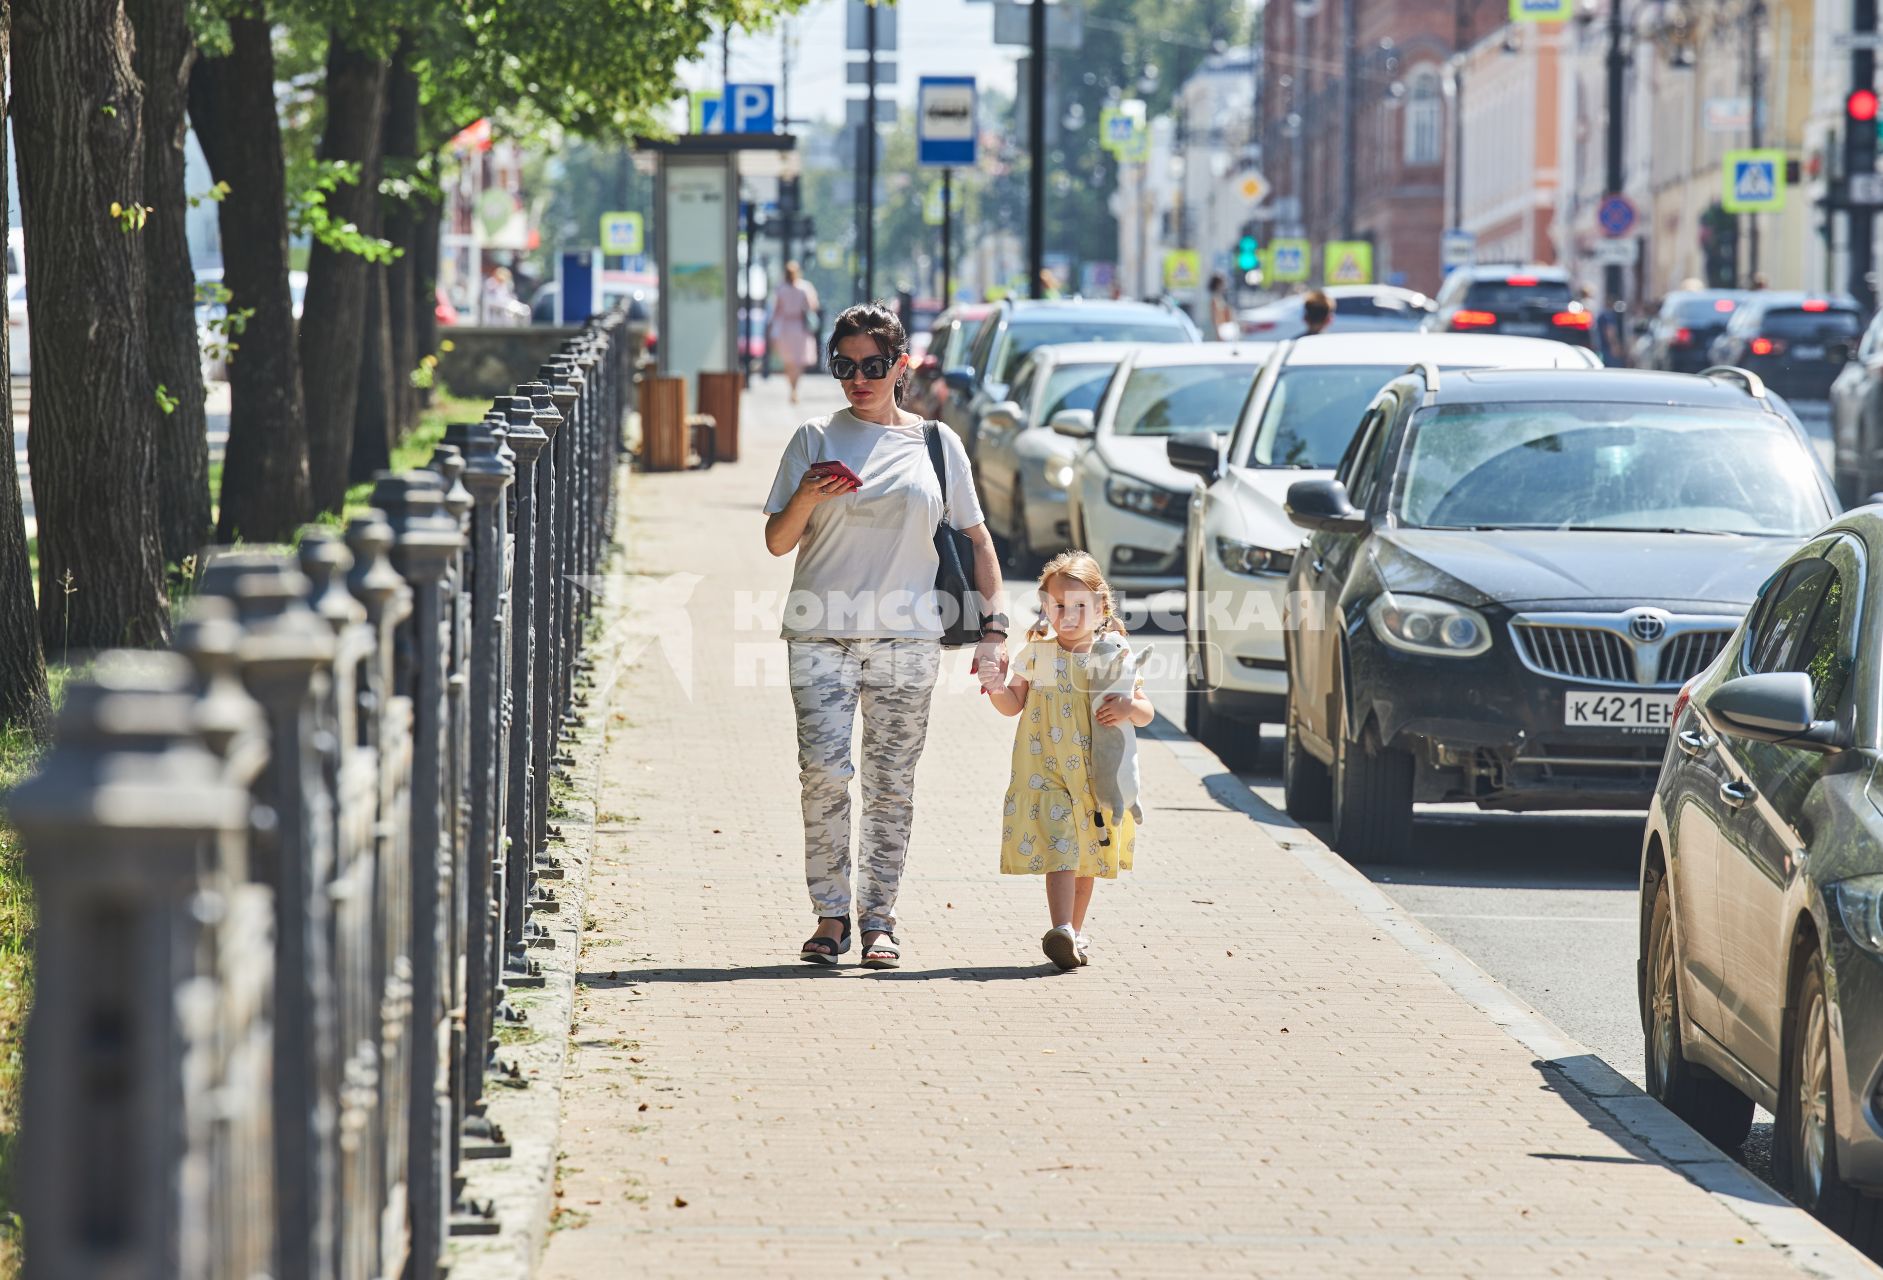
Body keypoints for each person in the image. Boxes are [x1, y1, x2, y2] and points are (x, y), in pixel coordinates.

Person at [764, 302, 1010, 969]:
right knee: (822, 773)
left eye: (873, 367)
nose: (858, 380)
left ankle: (877, 919)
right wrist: (809, 497)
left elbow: (975, 537)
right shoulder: (813, 437)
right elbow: (776, 543)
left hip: (907, 640)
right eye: (844, 366)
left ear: (901, 367)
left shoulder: (936, 443)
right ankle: (829, 915)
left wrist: (994, 628)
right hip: (820, 635)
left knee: (890, 781)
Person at [980, 550, 1152, 970]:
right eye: (1058, 606)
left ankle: (1073, 933)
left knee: (1085, 859)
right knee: (1061, 849)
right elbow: (1012, 704)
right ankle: (1060, 929)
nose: (1068, 615)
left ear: (1101, 609)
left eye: (1079, 607)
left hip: (1095, 778)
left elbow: (1146, 712)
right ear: (1044, 606)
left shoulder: (1114, 655)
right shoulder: (1037, 653)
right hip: (1046, 772)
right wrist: (995, 686)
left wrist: (1129, 707)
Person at [768, 261, 821, 404]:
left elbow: (775, 310)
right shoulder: (805, 287)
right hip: (799, 327)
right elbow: (813, 305)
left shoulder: (780, 289)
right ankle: (795, 389)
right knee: (798, 361)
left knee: (788, 361)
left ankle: (792, 389)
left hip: (785, 327)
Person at [1208, 273, 1235, 340]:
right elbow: (1215, 317)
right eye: (1222, 284)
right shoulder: (1214, 299)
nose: (1224, 286)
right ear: (1217, 285)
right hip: (1215, 333)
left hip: (1220, 330)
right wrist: (1218, 333)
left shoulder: (1219, 297)